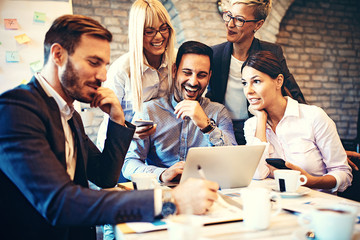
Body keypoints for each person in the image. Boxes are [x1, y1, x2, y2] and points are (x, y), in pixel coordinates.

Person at [0, 15, 219, 240]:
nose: (103, 76)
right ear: (58, 55)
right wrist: (169, 202)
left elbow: (105, 177)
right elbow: (59, 203)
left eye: (105, 65)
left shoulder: (69, 115)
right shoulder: (16, 109)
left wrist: (117, 118)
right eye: (94, 63)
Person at [122, 41, 237, 183]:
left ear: (209, 76)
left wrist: (207, 126)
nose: (193, 82)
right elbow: (129, 163)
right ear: (175, 71)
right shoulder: (149, 111)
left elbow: (234, 162)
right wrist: (161, 174)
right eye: (187, 72)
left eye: (201, 75)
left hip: (206, 191)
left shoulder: (218, 112)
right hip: (162, 193)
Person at [242, 51, 352, 193]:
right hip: (278, 206)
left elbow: (344, 173)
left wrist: (311, 181)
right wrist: (261, 119)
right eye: (244, 83)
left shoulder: (314, 116)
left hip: (318, 206)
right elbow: (257, 174)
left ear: (279, 81)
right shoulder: (251, 125)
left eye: (256, 81)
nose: (248, 91)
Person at [206, 0, 305, 145]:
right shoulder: (214, 54)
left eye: (239, 20)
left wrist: (317, 139)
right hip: (223, 129)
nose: (230, 24)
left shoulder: (271, 52)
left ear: (258, 24)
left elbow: (292, 92)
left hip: (258, 126)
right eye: (229, 16)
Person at [97, 0, 176, 150]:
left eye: (163, 29)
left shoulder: (176, 61)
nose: (159, 37)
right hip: (121, 148)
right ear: (138, 34)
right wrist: (130, 131)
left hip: (156, 149)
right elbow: (109, 119)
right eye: (149, 32)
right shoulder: (121, 70)